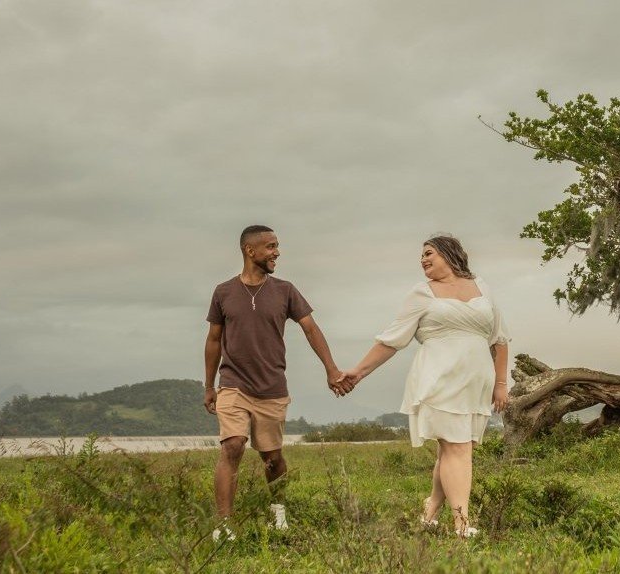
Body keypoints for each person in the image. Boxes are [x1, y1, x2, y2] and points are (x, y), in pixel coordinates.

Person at [338, 234, 510, 537]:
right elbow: (392, 340)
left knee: (456, 448)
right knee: (457, 448)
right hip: (439, 379)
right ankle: (462, 525)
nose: (423, 260)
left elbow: (500, 339)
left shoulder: (482, 287)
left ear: (448, 253)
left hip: (475, 383)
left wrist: (501, 383)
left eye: (428, 253)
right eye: (421, 256)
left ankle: (430, 509)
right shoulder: (422, 293)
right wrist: (359, 372)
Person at [202, 225, 352, 541]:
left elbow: (311, 329)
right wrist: (209, 386)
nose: (277, 253)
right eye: (270, 246)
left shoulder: (285, 290)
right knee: (232, 445)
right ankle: (225, 525)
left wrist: (331, 369)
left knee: (272, 458)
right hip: (233, 383)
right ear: (250, 250)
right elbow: (214, 339)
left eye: (276, 246)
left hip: (271, 387)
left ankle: (277, 511)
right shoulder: (223, 292)